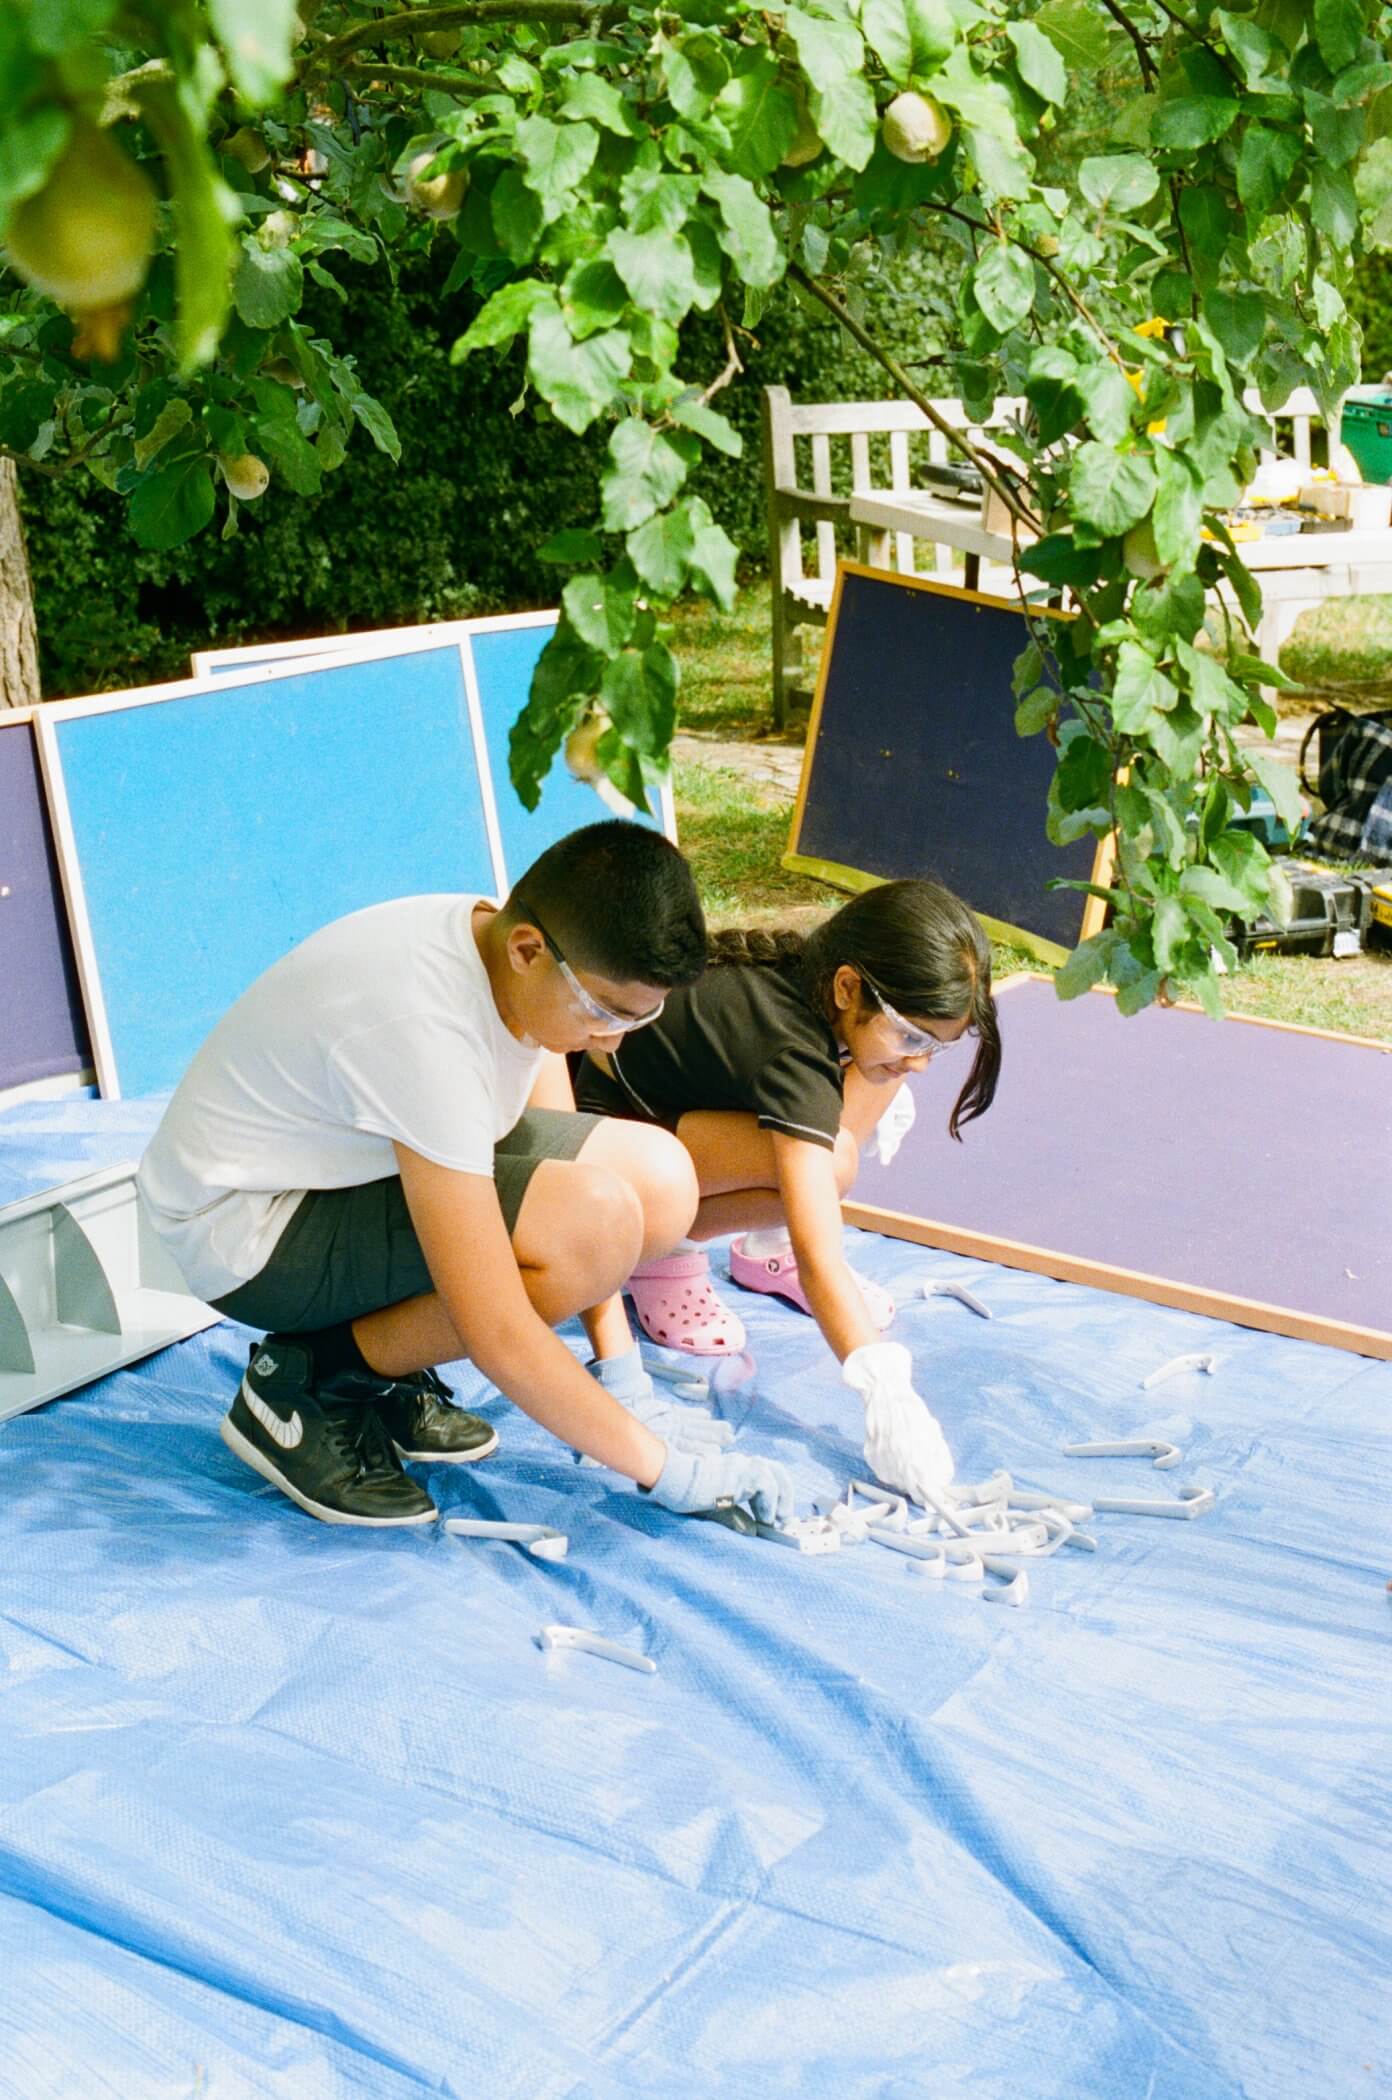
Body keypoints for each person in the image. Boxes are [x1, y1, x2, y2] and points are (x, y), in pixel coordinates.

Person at [136, 821, 794, 1531]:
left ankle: (379, 1363)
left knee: (658, 1181)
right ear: (528, 951)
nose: (612, 1039)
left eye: (639, 1015)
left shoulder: (515, 952)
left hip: (343, 1165)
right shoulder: (425, 1030)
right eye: (604, 1012)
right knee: (590, 1225)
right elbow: (497, 1328)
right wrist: (667, 1471)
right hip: (248, 1236)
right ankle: (315, 1384)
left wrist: (621, 1369)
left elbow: (554, 1135)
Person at [574, 878, 1002, 1497]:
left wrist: (894, 1054)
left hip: (674, 1112)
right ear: (848, 985)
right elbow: (820, 1255)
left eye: (939, 1044)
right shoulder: (792, 1051)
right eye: (914, 1036)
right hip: (608, 1148)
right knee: (828, 1167)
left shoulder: (817, 989)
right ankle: (659, 1251)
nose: (923, 1062)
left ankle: (754, 1241)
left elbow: (879, 1064)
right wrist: (883, 1386)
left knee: (866, 1097)